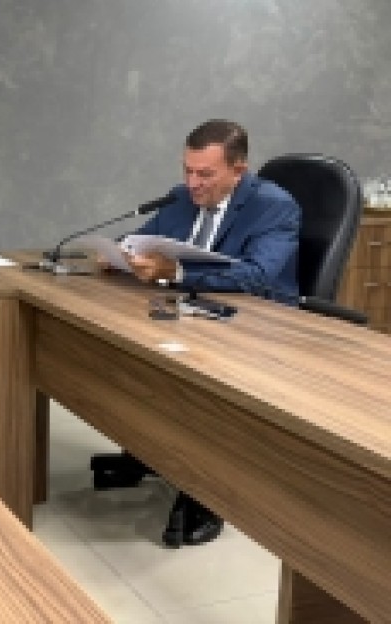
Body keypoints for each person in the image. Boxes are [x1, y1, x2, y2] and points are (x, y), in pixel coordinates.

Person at [116, 119, 301, 547]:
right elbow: (139, 239)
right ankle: (150, 449)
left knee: (194, 374)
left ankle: (207, 496)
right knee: (133, 347)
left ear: (238, 170)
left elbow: (256, 276)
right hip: (195, 308)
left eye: (205, 174)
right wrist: (123, 253)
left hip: (257, 320)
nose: (192, 184)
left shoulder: (275, 206)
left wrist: (177, 272)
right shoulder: (183, 198)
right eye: (187, 170)